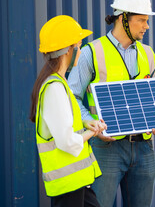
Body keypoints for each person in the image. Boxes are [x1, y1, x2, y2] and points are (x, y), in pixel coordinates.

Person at [68, 0, 155, 207]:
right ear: (123, 19)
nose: (147, 26)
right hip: (106, 148)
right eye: (142, 20)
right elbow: (72, 96)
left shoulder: (148, 53)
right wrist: (88, 123)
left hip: (144, 148)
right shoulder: (93, 51)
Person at [29, 15, 107, 207]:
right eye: (77, 46)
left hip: (77, 183)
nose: (79, 51)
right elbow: (66, 142)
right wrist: (93, 133)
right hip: (68, 187)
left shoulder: (59, 83)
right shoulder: (54, 87)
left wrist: (86, 123)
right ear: (68, 50)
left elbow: (65, 122)